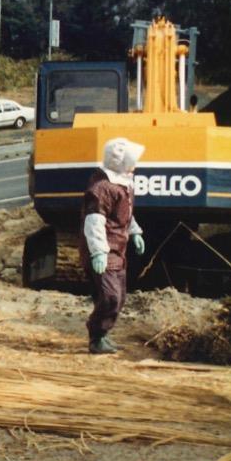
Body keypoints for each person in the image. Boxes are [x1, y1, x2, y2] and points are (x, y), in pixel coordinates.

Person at [81, 137, 146, 355]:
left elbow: (124, 215)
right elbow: (94, 221)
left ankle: (102, 334)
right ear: (120, 162)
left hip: (119, 250)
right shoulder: (102, 188)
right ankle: (96, 335)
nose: (134, 165)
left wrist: (134, 231)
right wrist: (98, 252)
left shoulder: (124, 184)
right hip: (105, 251)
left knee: (120, 297)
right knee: (110, 296)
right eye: (131, 161)